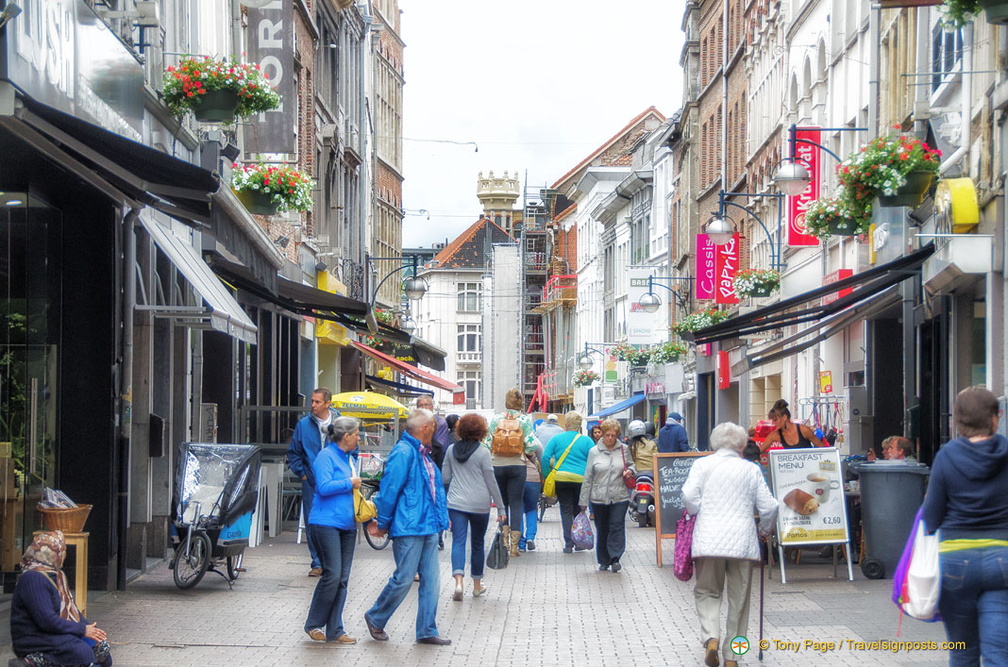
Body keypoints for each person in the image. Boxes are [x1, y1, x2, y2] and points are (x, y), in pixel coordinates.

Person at [922, 386, 1008, 666]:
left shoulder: (946, 456)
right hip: (1003, 561)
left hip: (956, 562)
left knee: (962, 651)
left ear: (958, 419)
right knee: (999, 655)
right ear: (996, 416)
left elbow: (931, 519)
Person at [682, 422, 778, 667]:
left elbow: (689, 496)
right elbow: (770, 506)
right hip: (742, 542)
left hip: (708, 539)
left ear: (715, 442)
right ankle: (732, 656)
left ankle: (711, 637)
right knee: (740, 600)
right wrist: (765, 530)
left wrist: (698, 513)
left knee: (706, 592)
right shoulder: (751, 469)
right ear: (742, 444)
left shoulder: (701, 464)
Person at [364, 408, 451, 646]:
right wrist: (383, 523)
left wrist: (441, 519)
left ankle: (426, 630)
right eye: (433, 425)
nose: (436, 429)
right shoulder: (404, 452)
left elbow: (432, 491)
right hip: (410, 526)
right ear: (425, 428)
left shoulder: (422, 453)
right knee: (403, 578)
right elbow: (389, 490)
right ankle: (376, 616)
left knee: (431, 581)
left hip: (426, 525)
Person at [10, 531, 113, 667]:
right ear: (53, 554)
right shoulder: (32, 578)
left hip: (56, 632)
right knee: (82, 653)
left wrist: (91, 629)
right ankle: (33, 662)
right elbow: (46, 620)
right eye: (62, 550)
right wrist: (81, 630)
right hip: (35, 637)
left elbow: (72, 612)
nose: (64, 555)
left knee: (102, 649)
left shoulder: (57, 575)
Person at [303, 416, 363, 644]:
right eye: (356, 434)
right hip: (326, 522)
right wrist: (350, 482)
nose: (359, 437)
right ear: (346, 436)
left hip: (347, 524)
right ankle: (313, 623)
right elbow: (324, 486)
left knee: (343, 578)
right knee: (333, 574)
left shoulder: (348, 457)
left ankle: (336, 629)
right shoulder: (325, 456)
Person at [442, 413, 506, 601]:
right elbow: (491, 481)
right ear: (481, 431)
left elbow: (445, 478)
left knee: (459, 542)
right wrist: (501, 508)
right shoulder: (483, 452)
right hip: (480, 504)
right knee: (478, 544)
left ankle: (458, 582)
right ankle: (477, 585)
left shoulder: (451, 450)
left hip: (456, 503)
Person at [287, 387, 340, 577]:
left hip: (336, 483)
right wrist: (302, 474)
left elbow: (351, 450)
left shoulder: (340, 424)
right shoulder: (303, 425)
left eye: (317, 402)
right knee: (313, 522)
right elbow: (294, 453)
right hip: (311, 481)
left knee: (334, 520)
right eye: (312, 401)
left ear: (328, 404)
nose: (313, 405)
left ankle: (333, 561)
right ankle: (317, 562)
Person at [482, 388, 539, 557]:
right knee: (516, 504)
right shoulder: (524, 420)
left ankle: (504, 542)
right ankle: (515, 546)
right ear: (521, 402)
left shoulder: (497, 418)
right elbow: (532, 445)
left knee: (502, 504)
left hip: (497, 465)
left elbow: (486, 444)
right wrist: (523, 451)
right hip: (517, 465)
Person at [579, 418, 635, 572]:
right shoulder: (594, 452)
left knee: (617, 526)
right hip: (598, 497)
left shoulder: (623, 449)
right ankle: (604, 559)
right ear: (601, 435)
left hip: (620, 496)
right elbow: (588, 476)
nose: (610, 438)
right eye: (607, 435)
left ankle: (615, 557)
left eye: (613, 435)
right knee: (602, 528)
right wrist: (583, 501)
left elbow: (631, 465)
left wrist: (630, 471)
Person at [541, 411, 595, 553]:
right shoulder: (587, 441)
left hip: (562, 478)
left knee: (565, 510)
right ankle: (579, 541)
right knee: (578, 510)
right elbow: (594, 459)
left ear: (567, 424)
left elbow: (545, 457)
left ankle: (568, 543)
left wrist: (547, 475)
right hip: (581, 479)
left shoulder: (556, 439)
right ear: (579, 426)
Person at [758, 399, 823, 453]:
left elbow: (823, 449)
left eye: (775, 420)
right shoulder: (775, 435)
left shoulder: (804, 430)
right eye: (772, 420)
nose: (773, 423)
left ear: (784, 417)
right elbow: (759, 450)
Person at [520, 436, 544, 552]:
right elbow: (542, 459)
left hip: (515, 477)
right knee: (531, 509)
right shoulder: (534, 441)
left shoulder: (506, 439)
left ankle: (520, 542)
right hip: (533, 478)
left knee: (517, 509)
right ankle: (530, 537)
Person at [416, 396, 448, 469]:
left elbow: (439, 447)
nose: (424, 408)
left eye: (426, 405)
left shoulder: (440, 423)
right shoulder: (414, 422)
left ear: (432, 407)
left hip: (433, 460)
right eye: (420, 405)